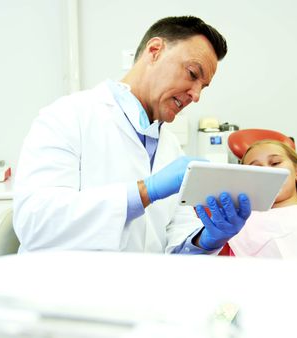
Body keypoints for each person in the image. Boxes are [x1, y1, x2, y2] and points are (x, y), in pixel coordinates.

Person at [13, 16, 251, 254]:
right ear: (155, 51)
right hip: (64, 287)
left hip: (141, 287)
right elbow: (34, 224)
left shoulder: (170, 146)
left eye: (203, 86)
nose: (196, 95)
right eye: (192, 74)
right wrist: (144, 192)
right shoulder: (68, 116)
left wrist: (205, 240)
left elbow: (174, 239)